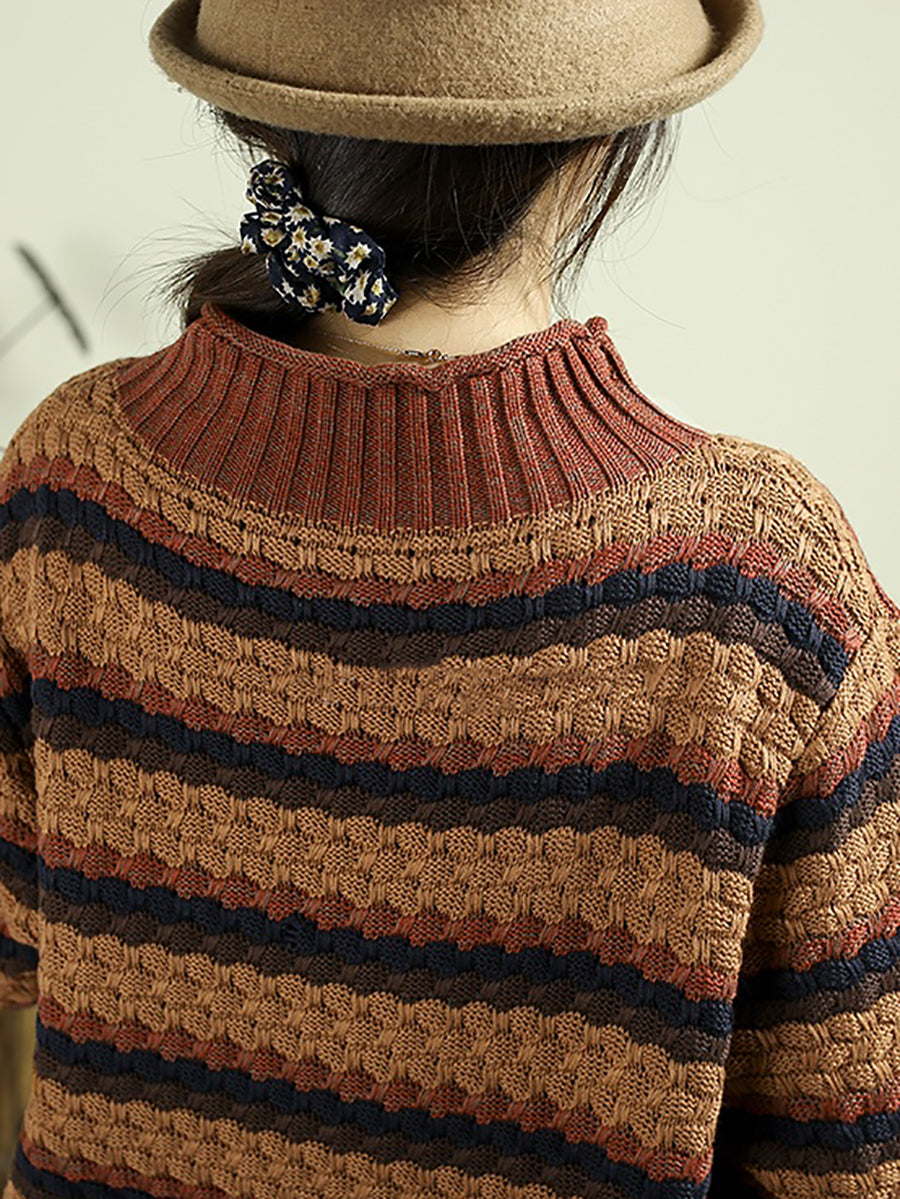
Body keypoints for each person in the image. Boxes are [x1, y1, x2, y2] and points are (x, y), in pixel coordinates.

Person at [1, 2, 898, 1198]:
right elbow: (846, 1150)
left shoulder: (71, 482)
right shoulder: (767, 588)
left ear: (263, 117)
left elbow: (21, 962)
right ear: (603, 143)